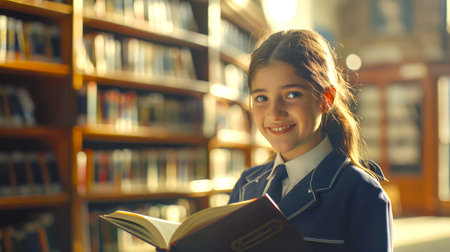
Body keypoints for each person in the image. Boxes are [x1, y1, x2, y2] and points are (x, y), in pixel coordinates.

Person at [228, 30, 393, 251]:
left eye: (292, 94)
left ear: (326, 99)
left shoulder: (362, 193)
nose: (274, 112)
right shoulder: (246, 185)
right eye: (261, 98)